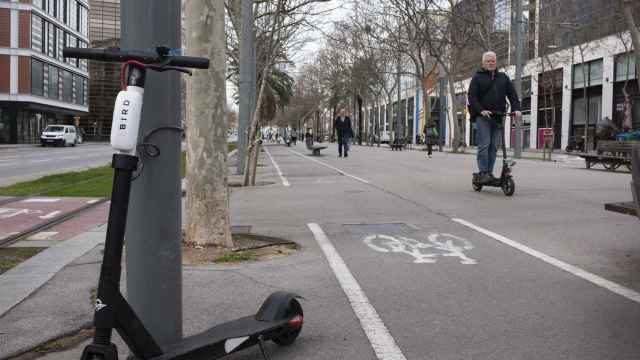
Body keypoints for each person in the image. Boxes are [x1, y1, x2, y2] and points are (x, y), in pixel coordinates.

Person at [467, 51, 521, 184]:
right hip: (483, 117)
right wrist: (481, 110)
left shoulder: (503, 77)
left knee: (494, 146)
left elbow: (512, 95)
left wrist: (516, 109)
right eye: (488, 61)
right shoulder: (477, 78)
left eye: (493, 61)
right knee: (484, 144)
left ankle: (489, 172)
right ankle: (483, 172)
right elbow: (472, 98)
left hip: (498, 116)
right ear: (483, 63)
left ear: (496, 62)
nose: (491, 63)